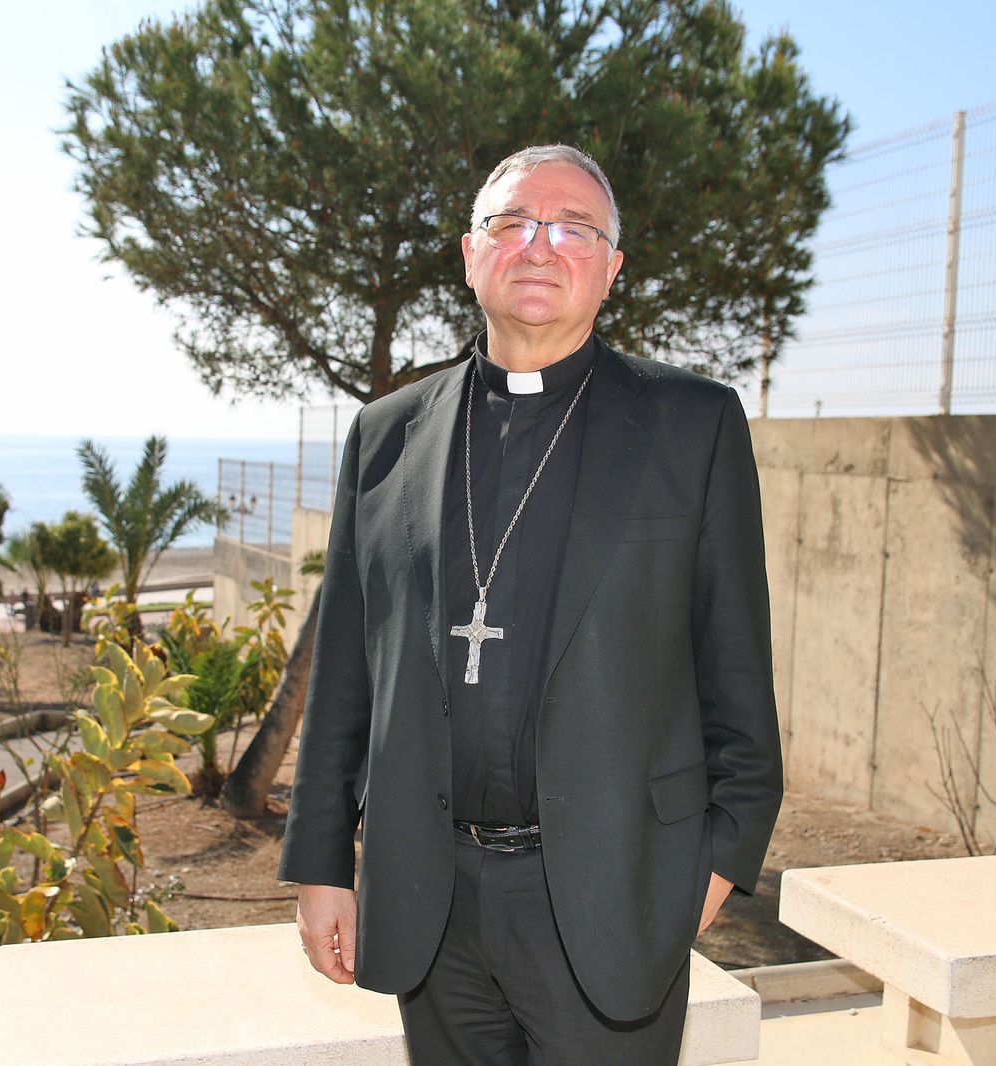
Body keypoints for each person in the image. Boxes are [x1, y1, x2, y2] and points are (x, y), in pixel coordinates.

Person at [279, 144, 783, 1063]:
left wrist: (710, 870)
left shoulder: (692, 424)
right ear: (471, 254)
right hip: (430, 898)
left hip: (612, 892)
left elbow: (738, 672)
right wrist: (320, 863)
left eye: (574, 229)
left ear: (612, 268)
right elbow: (347, 670)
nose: (541, 245)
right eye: (512, 223)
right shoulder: (386, 435)